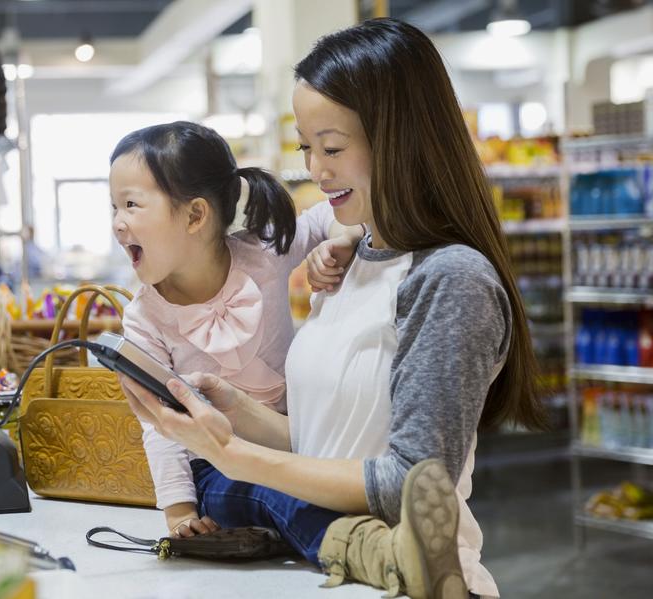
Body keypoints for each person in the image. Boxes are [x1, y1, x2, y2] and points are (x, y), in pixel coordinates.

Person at [119, 19, 546, 599]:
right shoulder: (348, 261)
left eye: (333, 147)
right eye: (306, 147)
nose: (316, 170)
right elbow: (328, 446)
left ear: (400, 138)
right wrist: (237, 411)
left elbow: (413, 483)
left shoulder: (451, 279)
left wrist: (235, 456)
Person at [110, 121, 364, 538]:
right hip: (215, 466)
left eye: (132, 205)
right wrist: (179, 512)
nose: (118, 224)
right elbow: (160, 426)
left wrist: (343, 239)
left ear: (195, 215)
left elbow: (326, 216)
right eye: (114, 208)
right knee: (267, 495)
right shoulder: (144, 319)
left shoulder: (262, 253)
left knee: (327, 481)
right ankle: (356, 545)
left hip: (295, 441)